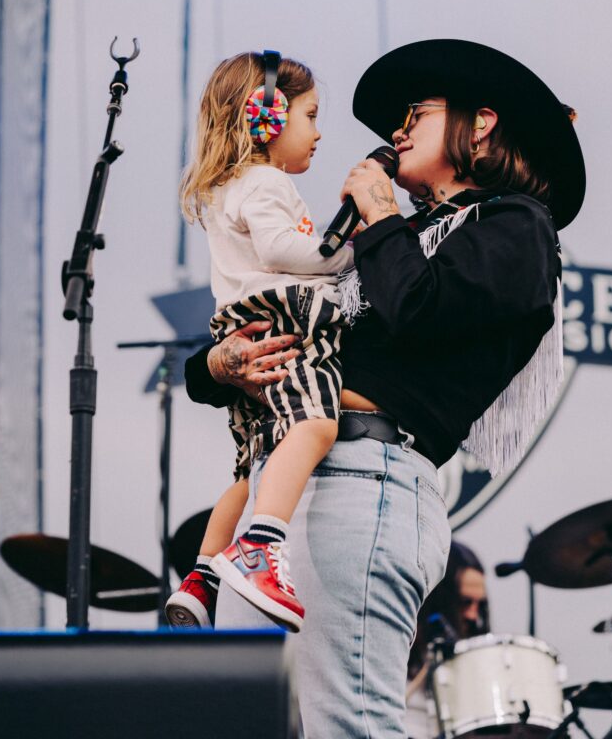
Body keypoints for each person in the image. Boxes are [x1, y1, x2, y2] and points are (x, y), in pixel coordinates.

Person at [184, 39, 586, 739]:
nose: (394, 133)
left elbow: (418, 310)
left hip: (363, 480)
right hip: (283, 485)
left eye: (414, 114)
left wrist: (377, 214)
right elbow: (264, 335)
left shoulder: (514, 230)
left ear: (480, 124)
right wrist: (222, 364)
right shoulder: (389, 239)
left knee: (349, 725)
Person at [165, 50, 353, 631]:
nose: (319, 134)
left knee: (250, 470)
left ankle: (201, 578)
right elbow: (282, 251)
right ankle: (262, 546)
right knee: (317, 423)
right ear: (268, 116)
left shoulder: (232, 186)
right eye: (311, 116)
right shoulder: (265, 180)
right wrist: (349, 247)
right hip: (282, 321)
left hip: (241, 326)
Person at [406, 542, 490, 739]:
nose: (473, 615)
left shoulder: (474, 660)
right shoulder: (403, 647)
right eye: (465, 602)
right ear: (442, 598)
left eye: (480, 604)